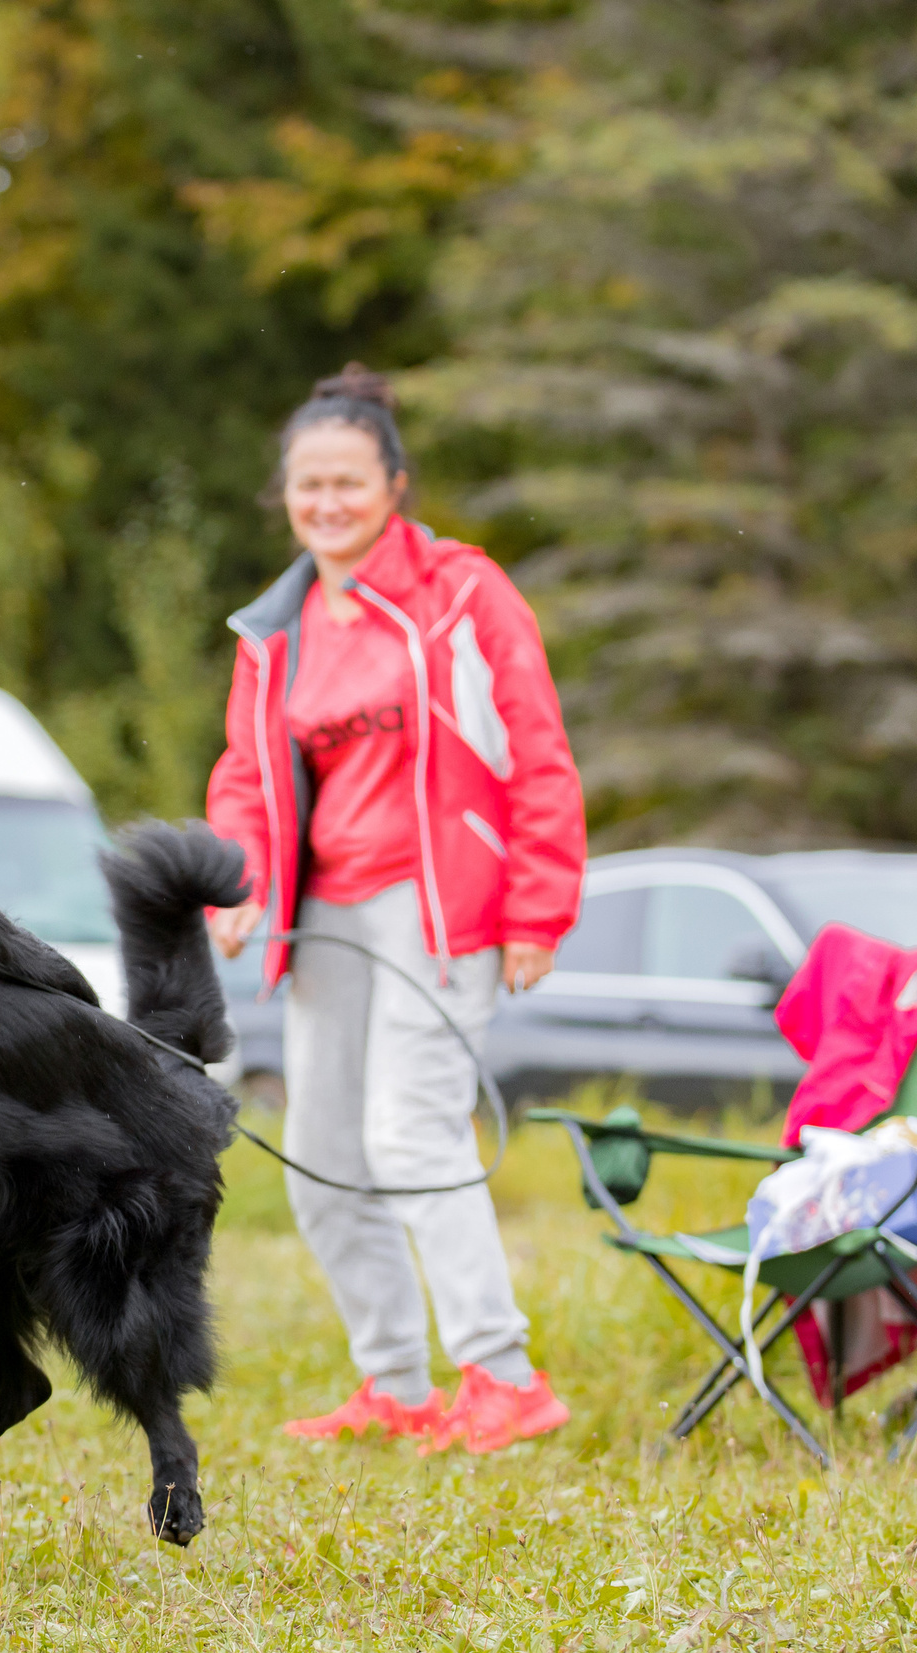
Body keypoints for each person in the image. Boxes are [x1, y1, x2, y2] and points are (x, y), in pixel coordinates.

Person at [203, 365, 585, 1456]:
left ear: (395, 485)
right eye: (306, 483)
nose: (326, 502)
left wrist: (536, 908)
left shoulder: (463, 594)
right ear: (285, 494)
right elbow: (244, 775)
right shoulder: (273, 628)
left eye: (348, 482)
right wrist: (238, 881)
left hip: (441, 904)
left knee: (408, 1127)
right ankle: (395, 1386)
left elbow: (536, 750)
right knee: (324, 1151)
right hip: (325, 913)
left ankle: (503, 1379)